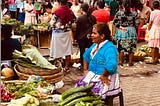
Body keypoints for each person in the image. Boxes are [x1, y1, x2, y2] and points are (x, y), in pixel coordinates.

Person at [75, 23, 121, 99]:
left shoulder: (110, 48)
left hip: (107, 76)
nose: (91, 35)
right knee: (79, 89)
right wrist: (85, 70)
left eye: (94, 33)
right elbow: (86, 55)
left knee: (92, 93)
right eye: (92, 33)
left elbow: (112, 64)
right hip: (94, 74)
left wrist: (104, 75)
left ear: (102, 36)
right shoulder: (95, 45)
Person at [49, 0, 75, 72]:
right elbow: (73, 20)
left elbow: (52, 23)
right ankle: (67, 67)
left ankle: (58, 67)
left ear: (60, 3)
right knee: (67, 51)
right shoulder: (70, 11)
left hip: (57, 33)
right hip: (66, 33)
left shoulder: (57, 12)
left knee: (56, 51)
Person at [113, 0, 140, 66]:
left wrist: (121, 27)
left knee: (121, 48)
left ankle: (120, 62)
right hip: (132, 31)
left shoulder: (119, 13)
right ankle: (130, 62)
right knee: (131, 48)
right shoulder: (134, 13)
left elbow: (115, 22)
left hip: (122, 31)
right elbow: (137, 24)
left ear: (122, 5)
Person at [75, 3, 96, 69]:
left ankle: (83, 65)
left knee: (82, 52)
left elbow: (77, 29)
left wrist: (76, 37)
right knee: (91, 51)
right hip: (90, 37)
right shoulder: (93, 17)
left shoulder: (80, 18)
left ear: (81, 9)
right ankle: (91, 63)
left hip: (81, 37)